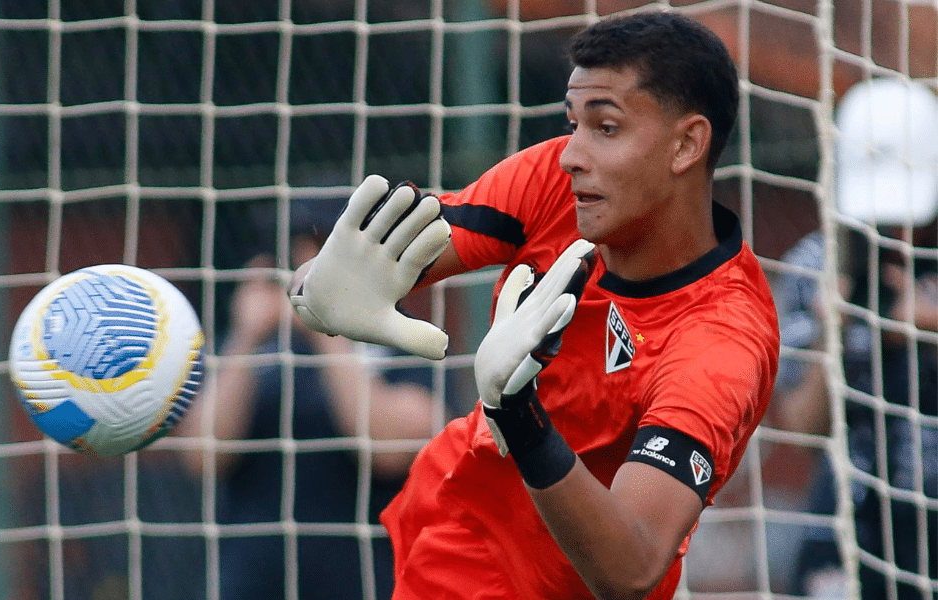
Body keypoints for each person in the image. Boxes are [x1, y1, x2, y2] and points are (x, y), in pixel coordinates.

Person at [289, 10, 780, 600]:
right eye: (573, 123)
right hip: (449, 536)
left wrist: (518, 415)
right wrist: (320, 287)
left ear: (687, 144)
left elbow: (630, 568)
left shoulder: (721, 342)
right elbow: (391, 261)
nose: (572, 153)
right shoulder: (559, 181)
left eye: (605, 127)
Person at [179, 207, 437, 600]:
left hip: (370, 581)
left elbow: (389, 448)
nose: (306, 266)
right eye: (296, 251)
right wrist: (245, 337)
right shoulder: (253, 345)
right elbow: (202, 456)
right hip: (250, 586)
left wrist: (326, 331)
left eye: (319, 249)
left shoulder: (403, 335)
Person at [775, 78, 938, 600]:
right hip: (851, 512)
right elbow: (801, 427)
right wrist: (834, 336)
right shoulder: (819, 263)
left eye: (907, 218)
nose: (896, 236)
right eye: (881, 220)